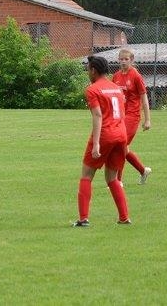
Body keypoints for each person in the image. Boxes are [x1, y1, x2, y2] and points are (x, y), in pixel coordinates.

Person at [73, 55, 131, 227]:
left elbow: (98, 115)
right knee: (112, 178)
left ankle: (83, 219)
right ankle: (124, 217)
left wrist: (96, 143)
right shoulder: (117, 88)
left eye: (88, 69)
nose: (87, 72)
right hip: (121, 135)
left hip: (105, 135)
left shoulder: (92, 90)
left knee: (86, 175)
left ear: (93, 70)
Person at [112, 48, 152, 185]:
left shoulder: (136, 76)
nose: (123, 62)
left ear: (131, 60)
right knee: (123, 148)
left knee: (119, 145)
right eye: (121, 59)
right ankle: (143, 170)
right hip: (119, 116)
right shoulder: (116, 76)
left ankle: (118, 181)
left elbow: (144, 98)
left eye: (126, 59)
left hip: (132, 116)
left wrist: (147, 119)